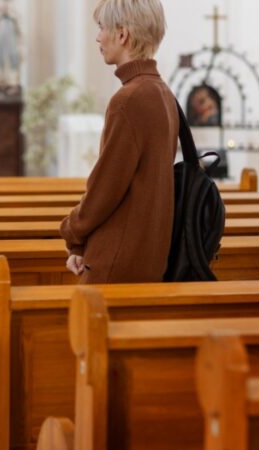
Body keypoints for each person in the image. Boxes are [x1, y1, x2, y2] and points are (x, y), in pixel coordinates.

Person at [60, 0, 177, 284]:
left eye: (102, 28)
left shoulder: (128, 99)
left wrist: (71, 231)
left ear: (122, 34)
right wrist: (80, 246)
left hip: (117, 260)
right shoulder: (162, 92)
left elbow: (105, 188)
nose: (98, 37)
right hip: (149, 255)